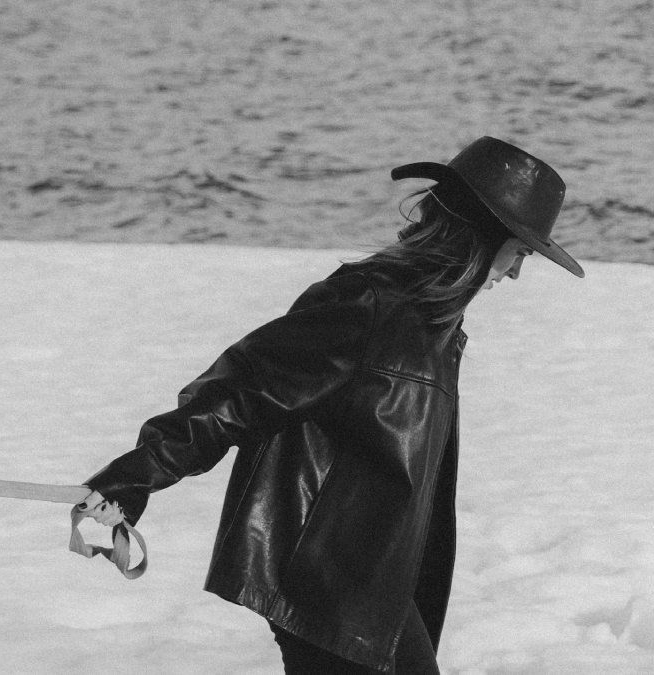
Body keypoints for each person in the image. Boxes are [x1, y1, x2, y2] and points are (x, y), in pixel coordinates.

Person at [79, 136, 585, 673]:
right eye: (519, 252)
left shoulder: (431, 322)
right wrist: (134, 477)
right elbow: (242, 388)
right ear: (481, 237)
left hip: (369, 580)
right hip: (324, 582)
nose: (516, 272)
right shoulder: (370, 304)